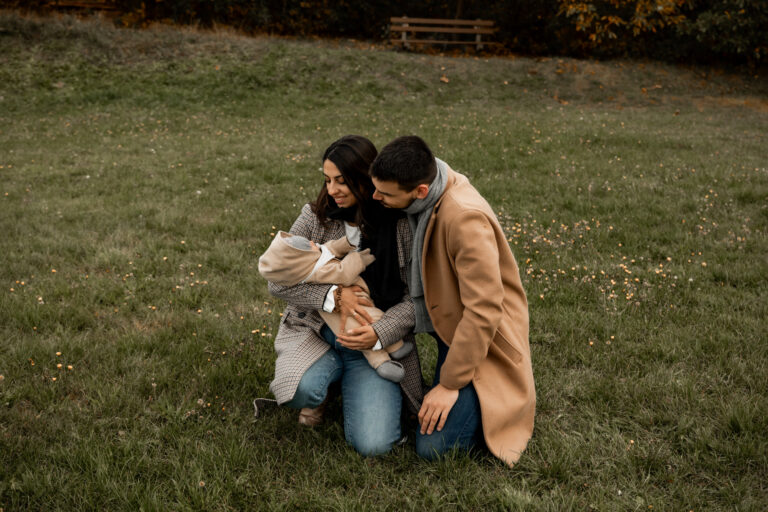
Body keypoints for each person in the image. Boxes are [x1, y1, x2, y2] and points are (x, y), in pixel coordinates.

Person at [369, 135, 536, 466]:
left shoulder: (463, 218)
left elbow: (484, 311)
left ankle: (491, 396)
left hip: (484, 342)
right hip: (452, 327)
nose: (375, 197)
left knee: (433, 449)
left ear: (419, 191)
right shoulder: (427, 191)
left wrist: (449, 384)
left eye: (385, 193)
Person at [265, 135, 423, 456]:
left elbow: (415, 299)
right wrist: (333, 296)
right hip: (317, 333)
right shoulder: (314, 217)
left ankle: (348, 381)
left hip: (373, 342)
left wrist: (378, 332)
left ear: (365, 179)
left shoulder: (400, 225)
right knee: (300, 389)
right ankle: (324, 385)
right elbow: (277, 280)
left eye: (341, 181)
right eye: (327, 180)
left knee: (375, 445)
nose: (332, 190)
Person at [258, 231, 414, 382]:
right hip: (342, 311)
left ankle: (389, 350)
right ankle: (385, 359)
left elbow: (330, 247)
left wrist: (348, 242)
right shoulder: (319, 271)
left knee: (366, 327)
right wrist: (359, 258)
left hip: (352, 303)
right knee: (367, 322)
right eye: (309, 246)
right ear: (303, 258)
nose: (313, 242)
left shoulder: (309, 259)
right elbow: (343, 273)